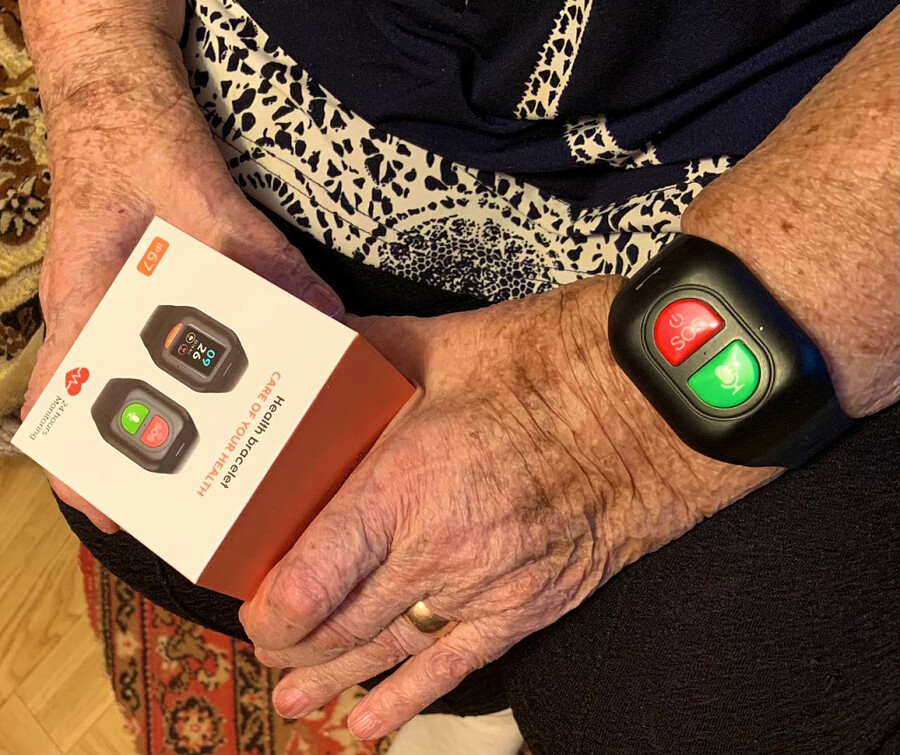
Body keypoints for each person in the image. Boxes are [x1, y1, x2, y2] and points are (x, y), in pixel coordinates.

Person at [19, 0, 899, 750]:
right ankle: (494, 669)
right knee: (138, 498)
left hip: (803, 165)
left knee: (673, 705)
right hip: (295, 91)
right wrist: (106, 84)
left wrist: (604, 420)